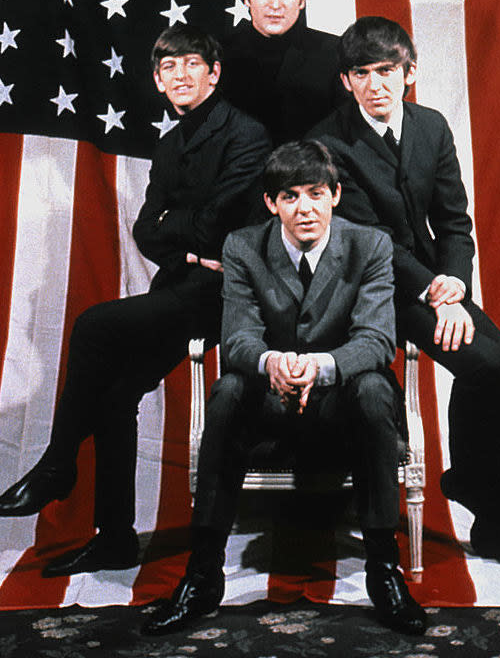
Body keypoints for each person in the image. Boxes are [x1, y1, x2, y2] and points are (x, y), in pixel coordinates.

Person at [0, 25, 271, 577]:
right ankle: (116, 537)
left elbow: (219, 219)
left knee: (94, 325)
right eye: (169, 68)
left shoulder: (247, 134)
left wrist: (184, 233)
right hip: (181, 285)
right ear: (157, 80)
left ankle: (57, 465)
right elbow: (146, 231)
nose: (181, 76)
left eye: (192, 64)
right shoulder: (170, 143)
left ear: (213, 73)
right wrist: (190, 243)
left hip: (229, 294)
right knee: (116, 394)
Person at [309, 16, 500, 573]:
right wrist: (433, 292)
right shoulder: (328, 142)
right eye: (361, 73)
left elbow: (453, 221)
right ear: (347, 81)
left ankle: (475, 492)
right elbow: (369, 241)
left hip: (432, 281)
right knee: (483, 367)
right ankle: (486, 501)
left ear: (410, 72)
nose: (376, 85)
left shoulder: (432, 126)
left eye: (387, 71)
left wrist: (454, 279)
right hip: (369, 291)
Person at [144, 141, 427, 637]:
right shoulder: (243, 246)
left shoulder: (371, 245)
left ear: (335, 195)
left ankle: (384, 570)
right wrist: (271, 361)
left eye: (316, 193)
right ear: (272, 204)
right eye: (291, 196)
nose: (305, 208)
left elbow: (377, 339)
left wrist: (319, 366)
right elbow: (237, 339)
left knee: (376, 390)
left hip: (342, 401)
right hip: (270, 399)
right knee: (229, 389)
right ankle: (202, 575)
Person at [220, 0, 346, 146]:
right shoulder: (220, 55)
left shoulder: (334, 53)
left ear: (302, 0)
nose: (275, 4)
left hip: (314, 172)